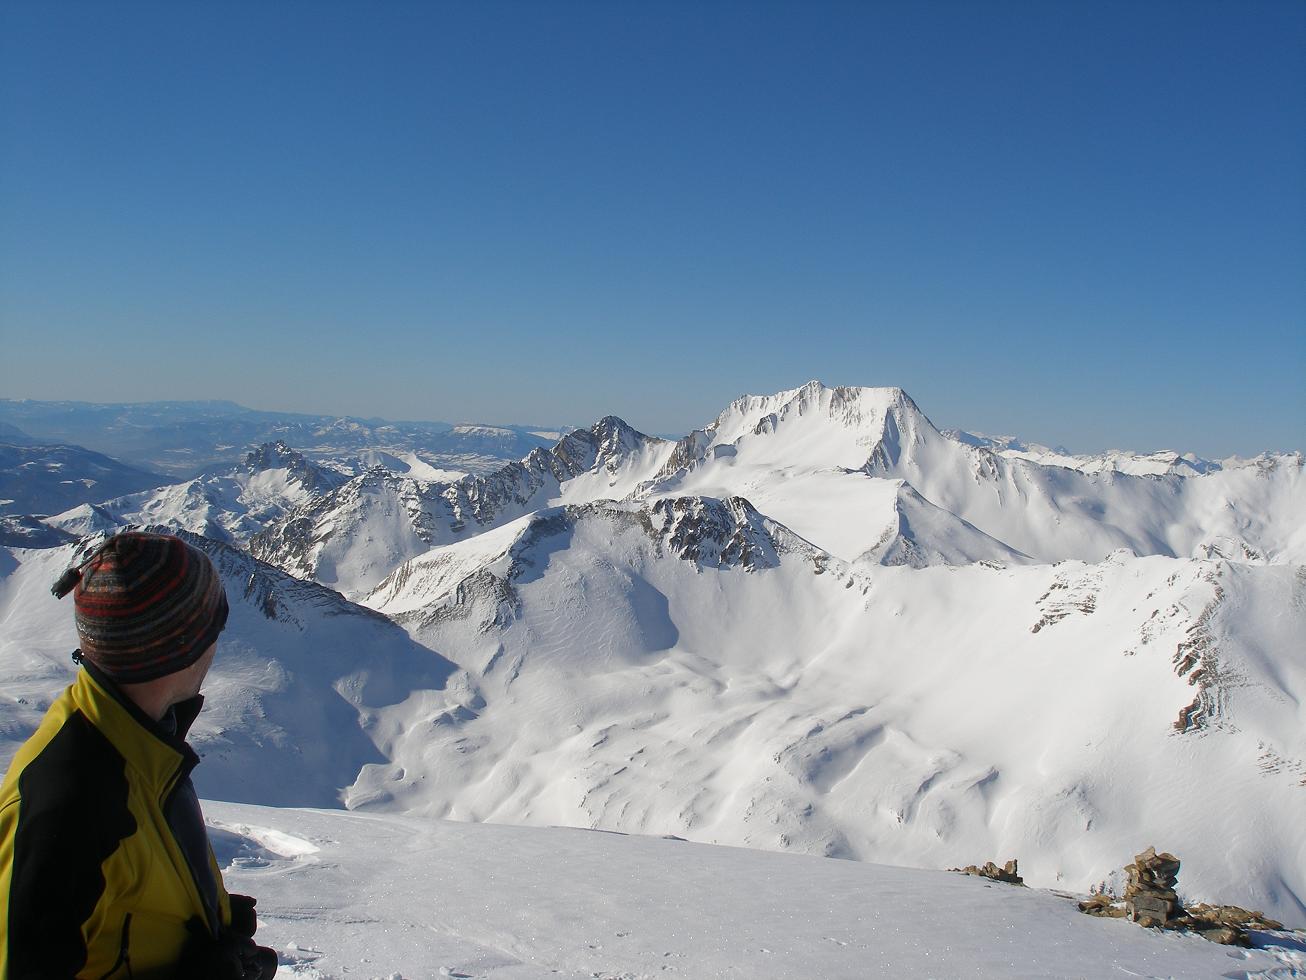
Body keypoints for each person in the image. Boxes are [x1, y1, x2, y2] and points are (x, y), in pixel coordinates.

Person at [0, 531, 277, 978]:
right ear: (182, 648)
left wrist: (211, 922)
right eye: (215, 627)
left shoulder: (141, 742)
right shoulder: (66, 806)